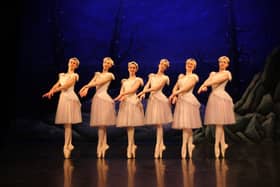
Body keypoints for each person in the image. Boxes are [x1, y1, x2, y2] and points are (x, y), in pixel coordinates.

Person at [42, 57, 82, 159]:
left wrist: (53, 91)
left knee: (68, 123)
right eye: (70, 62)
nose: (72, 64)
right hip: (63, 99)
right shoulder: (62, 75)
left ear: (76, 66)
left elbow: (66, 86)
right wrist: (51, 90)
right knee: (66, 124)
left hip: (70, 98)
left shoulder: (75, 75)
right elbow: (57, 84)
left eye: (74, 63)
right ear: (68, 63)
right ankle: (68, 144)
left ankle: (66, 146)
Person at [197, 55, 236, 158]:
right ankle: (223, 145)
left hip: (221, 98)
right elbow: (208, 80)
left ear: (227, 64)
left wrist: (204, 85)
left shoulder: (227, 73)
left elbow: (215, 81)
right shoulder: (213, 73)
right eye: (220, 62)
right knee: (219, 124)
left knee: (219, 124)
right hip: (213, 98)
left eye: (224, 62)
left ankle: (216, 146)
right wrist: (203, 85)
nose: (222, 63)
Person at [79, 57, 116, 158]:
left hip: (104, 99)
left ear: (110, 66)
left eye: (108, 63)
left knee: (102, 124)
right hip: (97, 98)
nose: (106, 64)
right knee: (101, 124)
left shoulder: (110, 75)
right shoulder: (97, 74)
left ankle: (100, 146)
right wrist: (86, 88)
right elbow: (92, 82)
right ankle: (104, 144)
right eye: (105, 62)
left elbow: (99, 83)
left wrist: (86, 87)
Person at [137, 59, 173, 158]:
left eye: (164, 65)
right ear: (158, 64)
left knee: (159, 124)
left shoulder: (165, 78)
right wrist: (143, 93)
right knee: (157, 125)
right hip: (153, 100)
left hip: (160, 100)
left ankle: (158, 146)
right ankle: (161, 144)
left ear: (166, 68)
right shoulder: (152, 76)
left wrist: (143, 92)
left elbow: (156, 88)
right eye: (161, 64)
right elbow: (147, 85)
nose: (162, 66)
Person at [169, 58, 202, 159]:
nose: (189, 65)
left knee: (188, 125)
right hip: (181, 101)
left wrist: (175, 94)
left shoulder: (194, 76)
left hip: (189, 100)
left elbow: (186, 88)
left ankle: (185, 147)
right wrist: (174, 95)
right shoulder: (181, 76)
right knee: (185, 125)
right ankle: (188, 146)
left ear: (194, 66)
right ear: (185, 64)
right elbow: (176, 87)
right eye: (188, 63)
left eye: (192, 64)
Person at [114, 61, 145, 159]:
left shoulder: (138, 80)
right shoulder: (124, 81)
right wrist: (119, 97)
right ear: (128, 69)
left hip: (133, 102)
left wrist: (122, 95)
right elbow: (121, 91)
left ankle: (130, 147)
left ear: (136, 69)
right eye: (130, 68)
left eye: (133, 68)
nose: (132, 69)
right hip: (126, 103)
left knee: (131, 125)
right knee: (128, 126)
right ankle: (131, 145)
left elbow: (133, 90)